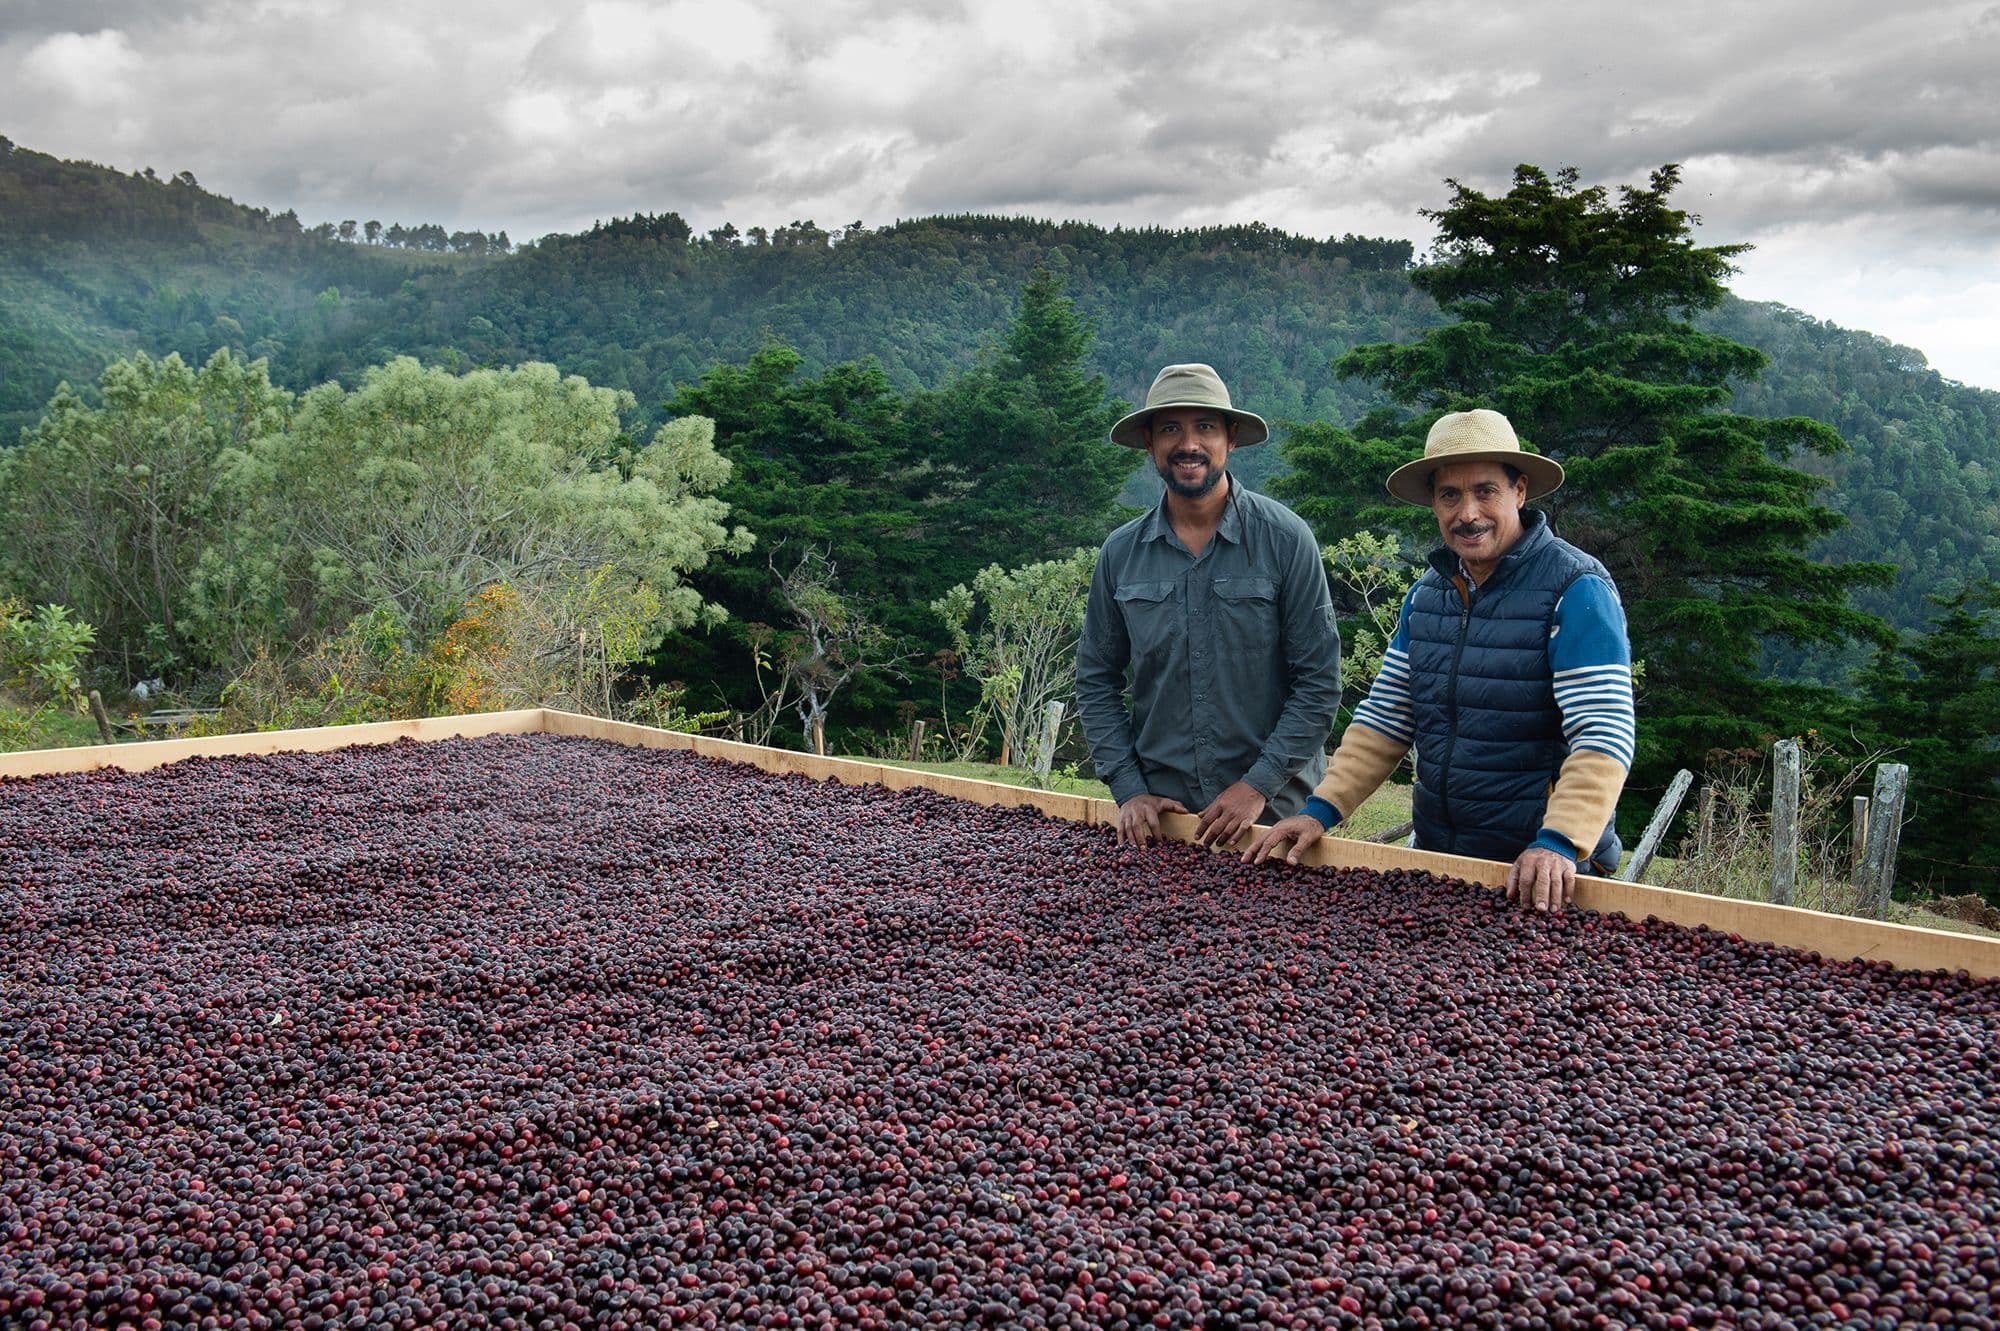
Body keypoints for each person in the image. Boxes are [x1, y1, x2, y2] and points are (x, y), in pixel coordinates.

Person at [1245, 409, 1635, 913]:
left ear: (1519, 492)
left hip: (1543, 872)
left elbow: (1603, 730)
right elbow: (1386, 719)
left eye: (1485, 491)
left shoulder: (1575, 589)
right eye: (1450, 494)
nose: (1467, 513)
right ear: (1433, 502)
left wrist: (1558, 841)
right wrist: (1318, 811)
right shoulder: (1428, 596)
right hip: (1442, 859)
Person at [1076, 363, 1342, 850]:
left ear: (1231, 438)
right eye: (1171, 429)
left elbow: (1318, 684)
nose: (1188, 444)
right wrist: (1129, 790)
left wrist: (1255, 786)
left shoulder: (1285, 540)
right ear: (1150, 444)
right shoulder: (1121, 554)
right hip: (1165, 815)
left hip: (1278, 816)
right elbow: (1096, 681)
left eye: (1205, 427)